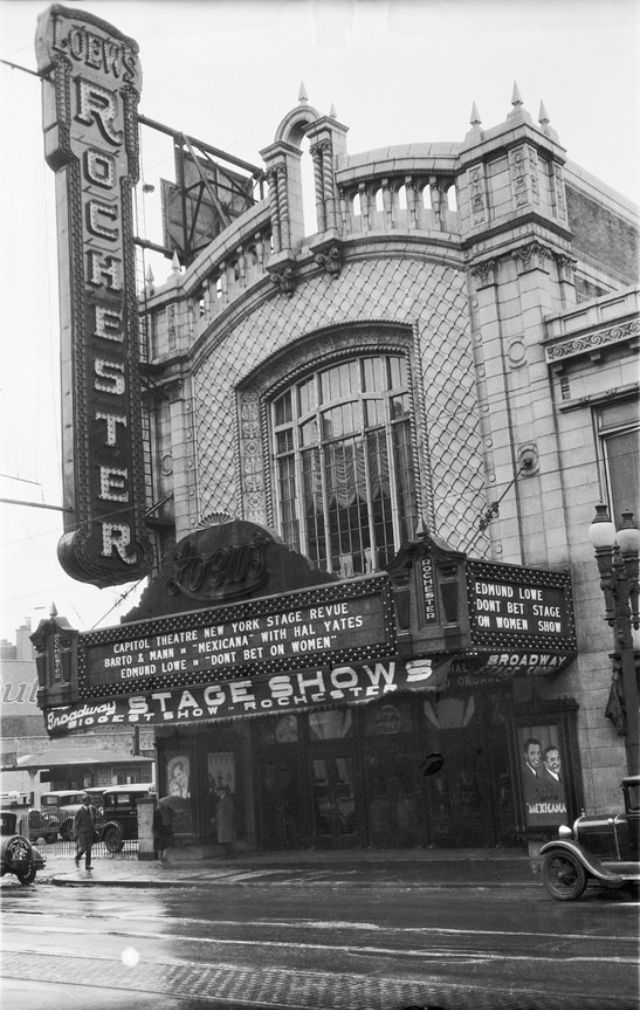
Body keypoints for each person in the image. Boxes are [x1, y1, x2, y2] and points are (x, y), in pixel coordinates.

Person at [73, 792, 97, 871]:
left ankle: (88, 865)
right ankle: (77, 857)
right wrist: (76, 834)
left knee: (89, 849)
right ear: (83, 802)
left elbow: (95, 818)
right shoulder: (79, 811)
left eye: (89, 801)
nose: (88, 802)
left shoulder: (92, 809)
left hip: (90, 832)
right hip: (82, 833)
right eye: (86, 801)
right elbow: (76, 823)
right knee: (83, 848)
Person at [216, 786, 235, 858]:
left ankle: (230, 854)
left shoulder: (227, 800)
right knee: (223, 840)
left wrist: (228, 820)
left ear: (223, 791)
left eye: (219, 791)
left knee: (227, 839)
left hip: (226, 822)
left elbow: (231, 811)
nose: (217, 793)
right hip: (221, 823)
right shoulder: (220, 800)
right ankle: (227, 854)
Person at [153, 798, 174, 863]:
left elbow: (155, 823)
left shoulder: (156, 811)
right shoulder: (167, 810)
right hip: (167, 828)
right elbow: (174, 814)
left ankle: (161, 859)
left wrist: (154, 830)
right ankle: (163, 857)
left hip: (160, 830)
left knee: (160, 846)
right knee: (166, 845)